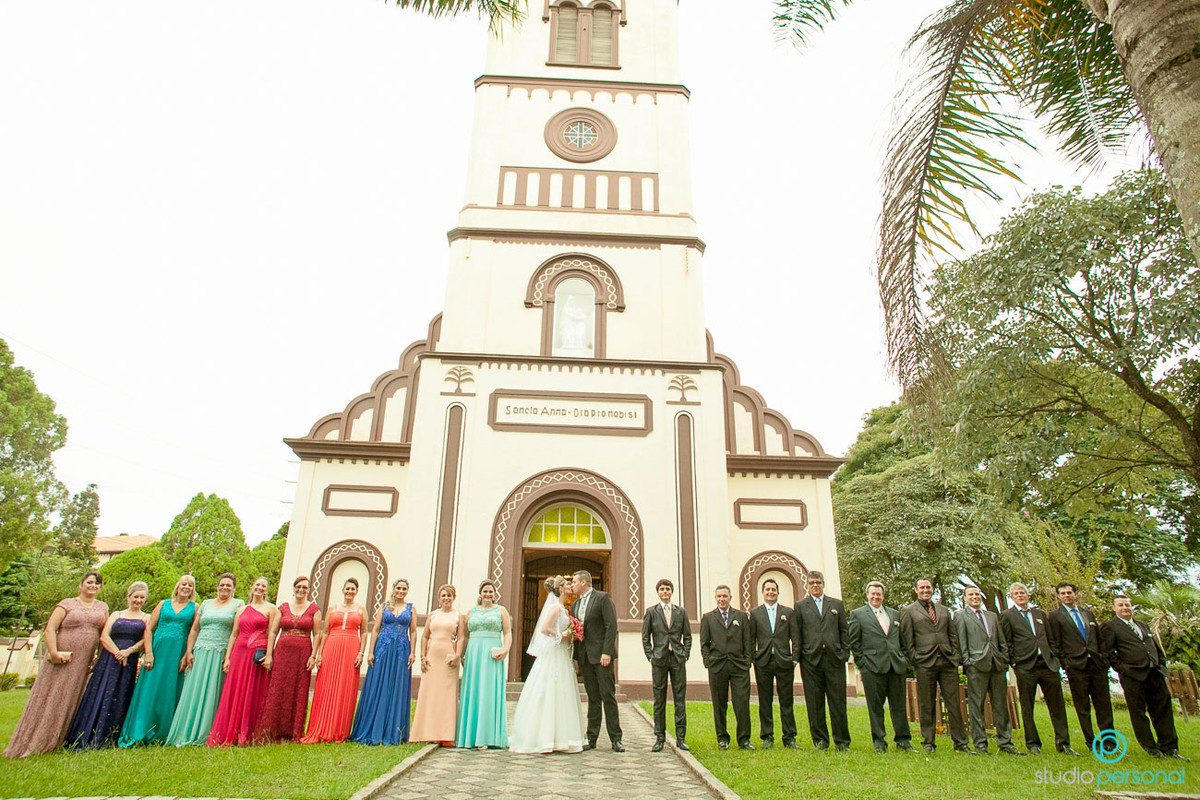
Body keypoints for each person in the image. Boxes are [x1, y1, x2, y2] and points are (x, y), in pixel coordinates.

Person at [4, 571, 109, 758]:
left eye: (97, 583)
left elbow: (103, 635)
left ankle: (56, 739)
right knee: (50, 694)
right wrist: (53, 652)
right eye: (90, 582)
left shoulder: (103, 607)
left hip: (83, 661)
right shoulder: (67, 604)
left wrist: (99, 657)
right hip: (61, 657)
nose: (93, 586)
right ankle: (34, 738)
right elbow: (50, 629)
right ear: (81, 584)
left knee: (69, 697)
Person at [1100, 596, 1189, 761]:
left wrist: (1161, 663)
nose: (1125, 607)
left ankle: (1170, 748)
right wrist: (1123, 669)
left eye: (1127, 604)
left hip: (1154, 673)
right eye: (1120, 605)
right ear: (1114, 608)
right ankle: (1151, 748)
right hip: (1132, 675)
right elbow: (1109, 653)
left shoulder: (1142, 625)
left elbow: (1154, 646)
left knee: (1163, 710)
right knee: (1139, 712)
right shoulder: (1110, 627)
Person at [509, 575, 587, 753]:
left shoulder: (562, 608)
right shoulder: (555, 608)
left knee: (561, 693)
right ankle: (544, 737)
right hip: (554, 652)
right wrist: (563, 636)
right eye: (567, 584)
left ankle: (560, 737)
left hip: (560, 653)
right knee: (549, 689)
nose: (569, 587)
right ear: (560, 589)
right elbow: (544, 628)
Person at [66, 580, 149, 749]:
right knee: (101, 692)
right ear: (128, 596)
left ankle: (111, 734)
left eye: (142, 598)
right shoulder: (116, 614)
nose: (138, 600)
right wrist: (117, 652)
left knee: (121, 693)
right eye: (135, 597)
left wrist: (128, 651)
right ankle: (88, 733)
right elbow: (104, 636)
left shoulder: (146, 617)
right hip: (109, 658)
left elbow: (145, 640)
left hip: (129, 660)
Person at [998, 582, 1077, 755]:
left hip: (1047, 664)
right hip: (1025, 666)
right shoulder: (1007, 616)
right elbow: (1006, 641)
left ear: (1028, 595)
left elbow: (1051, 638)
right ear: (1011, 597)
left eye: (1023, 593)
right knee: (1027, 707)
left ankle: (1064, 744)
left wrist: (1054, 658)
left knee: (1057, 706)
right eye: (1016, 593)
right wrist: (1015, 662)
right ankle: (1033, 744)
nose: (1020, 596)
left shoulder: (1039, 614)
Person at [119, 575, 198, 746]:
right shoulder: (163, 604)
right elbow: (148, 629)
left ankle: (164, 731)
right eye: (184, 584)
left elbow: (194, 632)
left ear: (193, 590)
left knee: (169, 690)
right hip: (158, 650)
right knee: (150, 689)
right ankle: (140, 729)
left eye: (190, 585)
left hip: (177, 653)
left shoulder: (195, 607)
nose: (186, 587)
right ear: (177, 586)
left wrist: (187, 653)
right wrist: (148, 653)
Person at [166, 573, 243, 746]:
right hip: (200, 651)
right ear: (217, 586)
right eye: (222, 585)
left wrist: (229, 656)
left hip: (220, 652)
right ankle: (186, 730)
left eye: (228, 586)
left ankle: (209, 732)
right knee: (194, 689)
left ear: (234, 588)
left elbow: (235, 633)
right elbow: (194, 629)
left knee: (214, 691)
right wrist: (189, 651)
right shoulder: (206, 604)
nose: (225, 588)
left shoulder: (238, 605)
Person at [900, 578, 969, 754]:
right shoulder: (909, 611)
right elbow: (907, 639)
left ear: (933, 590)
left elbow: (952, 634)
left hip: (947, 661)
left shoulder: (943, 610)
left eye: (928, 587)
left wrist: (955, 656)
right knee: (927, 703)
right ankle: (928, 742)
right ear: (916, 590)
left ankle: (961, 742)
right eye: (922, 587)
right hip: (925, 662)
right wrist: (915, 658)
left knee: (954, 703)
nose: (925, 590)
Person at [207, 576, 277, 746]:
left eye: (263, 586)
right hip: (239, 652)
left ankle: (248, 731)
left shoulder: (271, 609)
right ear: (252, 587)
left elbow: (271, 634)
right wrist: (227, 657)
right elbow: (233, 634)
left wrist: (269, 655)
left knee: (253, 690)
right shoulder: (241, 609)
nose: (260, 588)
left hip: (256, 655)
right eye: (257, 585)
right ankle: (229, 729)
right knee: (235, 689)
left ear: (266, 590)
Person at [1046, 581, 1113, 753]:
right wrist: (1065, 663)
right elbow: (1054, 641)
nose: (1067, 596)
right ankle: (1091, 742)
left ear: (1076, 594)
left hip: (1096, 665)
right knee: (1083, 707)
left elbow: (1099, 638)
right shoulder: (1055, 616)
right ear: (1059, 596)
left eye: (1069, 592)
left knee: (1103, 706)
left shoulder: (1087, 614)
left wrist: (1104, 659)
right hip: (1076, 666)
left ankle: (1109, 743)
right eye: (1063, 593)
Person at [953, 586, 1020, 755]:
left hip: (997, 664)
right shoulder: (961, 616)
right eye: (971, 594)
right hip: (976, 665)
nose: (975, 597)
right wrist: (967, 662)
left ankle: (1005, 741)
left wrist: (1004, 658)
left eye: (977, 594)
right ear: (965, 598)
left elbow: (1000, 639)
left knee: (1000, 705)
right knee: (977, 705)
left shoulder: (991, 615)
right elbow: (961, 641)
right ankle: (980, 743)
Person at [254, 574, 321, 742]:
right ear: (294, 588)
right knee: (277, 688)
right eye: (298, 587)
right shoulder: (283, 608)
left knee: (298, 690)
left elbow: (318, 633)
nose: (301, 590)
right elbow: (273, 632)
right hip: (282, 652)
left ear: (308, 590)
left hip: (303, 653)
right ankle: (271, 730)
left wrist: (313, 656)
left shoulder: (314, 609)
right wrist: (269, 655)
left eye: (305, 587)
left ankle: (293, 732)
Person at [848, 581, 913, 754]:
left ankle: (903, 741)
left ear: (883, 596)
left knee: (899, 706)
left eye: (879, 594)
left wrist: (903, 658)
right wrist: (863, 664)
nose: (876, 596)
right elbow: (854, 642)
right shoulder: (858, 614)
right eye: (873, 594)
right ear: (867, 595)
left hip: (895, 666)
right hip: (872, 667)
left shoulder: (894, 614)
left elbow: (902, 640)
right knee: (875, 707)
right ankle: (879, 741)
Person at [351, 578, 417, 745]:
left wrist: (413, 652)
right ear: (393, 589)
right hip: (383, 648)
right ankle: (372, 727)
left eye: (404, 589)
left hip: (401, 649)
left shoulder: (411, 608)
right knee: (378, 684)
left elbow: (414, 631)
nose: (401, 591)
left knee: (396, 686)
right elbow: (375, 629)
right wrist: (370, 651)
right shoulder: (383, 606)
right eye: (398, 588)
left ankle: (392, 730)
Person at [302, 577, 366, 743]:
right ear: (343, 590)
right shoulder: (332, 608)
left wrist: (361, 652)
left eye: (353, 589)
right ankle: (321, 726)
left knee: (345, 686)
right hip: (332, 645)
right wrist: (320, 653)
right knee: (326, 685)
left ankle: (340, 730)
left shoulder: (361, 609)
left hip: (351, 646)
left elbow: (364, 633)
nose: (349, 592)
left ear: (357, 592)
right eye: (347, 589)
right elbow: (324, 632)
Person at [793, 570, 850, 752]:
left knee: (838, 702)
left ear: (823, 584)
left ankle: (842, 742)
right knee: (814, 703)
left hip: (834, 659)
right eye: (812, 583)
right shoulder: (801, 606)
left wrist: (844, 653)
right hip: (811, 661)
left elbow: (844, 631)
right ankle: (820, 741)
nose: (815, 586)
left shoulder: (836, 605)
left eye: (818, 583)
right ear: (807, 586)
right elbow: (797, 633)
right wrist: (800, 656)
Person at [571, 569, 624, 751]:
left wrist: (607, 652)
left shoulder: (602, 598)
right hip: (585, 657)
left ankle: (616, 738)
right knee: (593, 698)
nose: (572, 585)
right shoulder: (575, 605)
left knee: (608, 696)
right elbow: (577, 631)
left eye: (574, 582)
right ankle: (591, 737)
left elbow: (611, 625)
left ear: (584, 582)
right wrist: (576, 657)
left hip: (602, 656)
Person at [456, 579, 511, 749]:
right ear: (480, 594)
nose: (488, 594)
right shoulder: (470, 611)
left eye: (490, 592)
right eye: (485, 591)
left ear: (495, 594)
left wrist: (506, 650)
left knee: (489, 691)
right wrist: (462, 655)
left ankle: (487, 736)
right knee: (474, 690)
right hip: (474, 653)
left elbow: (508, 633)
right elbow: (464, 635)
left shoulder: (501, 611)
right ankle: (470, 736)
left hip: (491, 653)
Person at [699, 584, 753, 750]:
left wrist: (747, 662)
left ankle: (744, 739)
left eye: (725, 596)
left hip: (739, 666)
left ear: (730, 598)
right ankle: (722, 737)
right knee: (719, 703)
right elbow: (704, 643)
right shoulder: (708, 618)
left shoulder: (742, 616)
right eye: (719, 596)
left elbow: (748, 641)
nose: (722, 599)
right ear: (715, 598)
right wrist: (708, 661)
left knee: (742, 703)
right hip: (717, 666)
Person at [641, 578, 691, 752]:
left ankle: (681, 737)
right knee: (659, 699)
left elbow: (688, 635)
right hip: (659, 659)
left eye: (668, 589)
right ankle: (659, 737)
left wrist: (685, 653)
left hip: (677, 658)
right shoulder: (651, 612)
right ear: (658, 592)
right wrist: (651, 655)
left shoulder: (681, 612)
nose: (665, 592)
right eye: (662, 589)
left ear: (672, 592)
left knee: (679, 699)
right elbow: (645, 636)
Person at [410, 584, 463, 746]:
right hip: (432, 657)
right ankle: (427, 732)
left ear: (454, 598)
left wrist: (457, 655)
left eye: (449, 596)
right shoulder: (433, 615)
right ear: (439, 598)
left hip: (448, 658)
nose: (446, 598)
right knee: (430, 694)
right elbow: (425, 636)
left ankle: (446, 735)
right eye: (443, 596)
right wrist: (423, 656)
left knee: (447, 696)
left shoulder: (458, 615)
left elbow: (461, 637)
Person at [748, 578, 798, 749]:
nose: (770, 592)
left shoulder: (788, 612)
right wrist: (753, 657)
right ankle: (767, 736)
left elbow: (795, 637)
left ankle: (789, 736)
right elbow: (751, 638)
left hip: (784, 661)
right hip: (763, 662)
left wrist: (795, 658)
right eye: (767, 590)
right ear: (762, 592)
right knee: (765, 700)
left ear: (777, 592)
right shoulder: (755, 613)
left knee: (786, 700)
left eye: (773, 590)